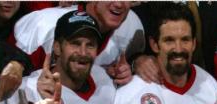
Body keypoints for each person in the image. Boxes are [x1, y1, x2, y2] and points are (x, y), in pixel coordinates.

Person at [13, 2, 144, 86]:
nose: (119, 4)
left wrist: (132, 65)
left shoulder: (132, 26)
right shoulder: (45, 24)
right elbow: (10, 77)